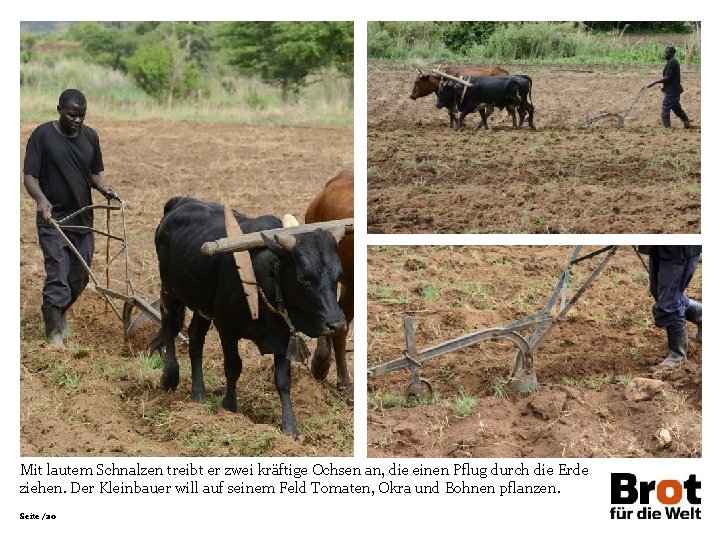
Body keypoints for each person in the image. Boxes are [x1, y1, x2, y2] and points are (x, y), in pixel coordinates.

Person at [23, 89, 118, 350]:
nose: (77, 120)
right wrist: (41, 200)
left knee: (80, 276)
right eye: (72, 115)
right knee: (58, 273)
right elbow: (30, 176)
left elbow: (94, 174)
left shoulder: (90, 137)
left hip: (82, 219)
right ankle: (53, 331)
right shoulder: (42, 135)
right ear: (59, 109)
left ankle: (60, 310)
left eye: (82, 116)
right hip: (53, 219)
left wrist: (104, 188)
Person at [637, 246, 701, 372]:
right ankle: (702, 315)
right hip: (659, 248)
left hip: (678, 250)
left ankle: (678, 356)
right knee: (661, 295)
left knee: (669, 302)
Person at [644, 46, 692, 129]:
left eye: (667, 53)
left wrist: (654, 82)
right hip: (674, 89)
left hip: (672, 90)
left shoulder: (671, 63)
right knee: (676, 107)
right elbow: (671, 78)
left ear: (672, 53)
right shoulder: (673, 62)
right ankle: (686, 122)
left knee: (666, 107)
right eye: (665, 52)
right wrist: (665, 87)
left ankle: (667, 128)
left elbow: (667, 77)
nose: (665, 54)